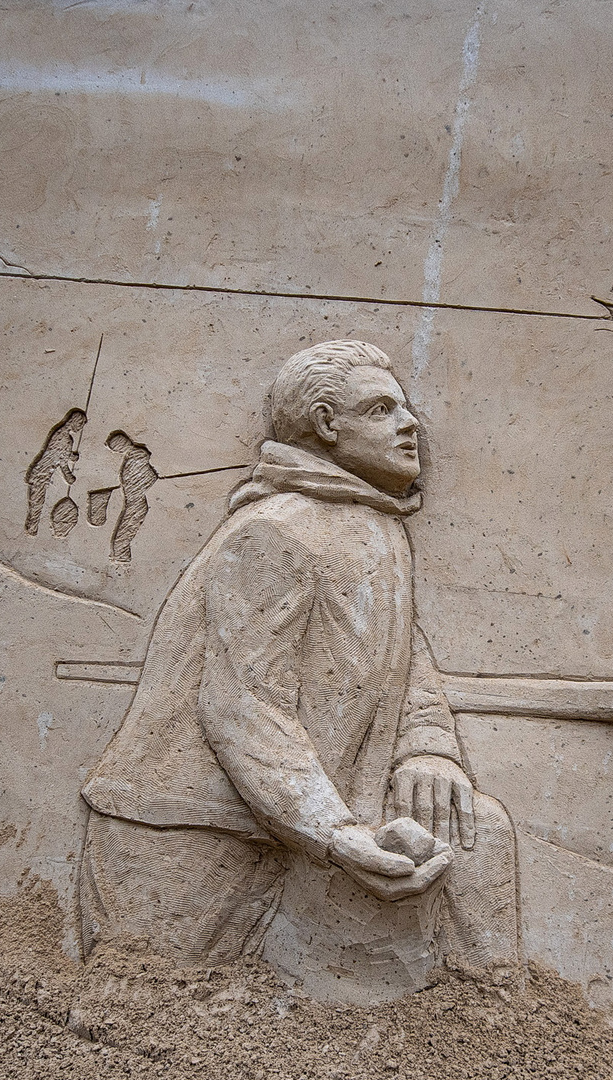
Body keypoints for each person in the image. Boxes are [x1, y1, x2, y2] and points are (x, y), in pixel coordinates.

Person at [78, 340, 520, 989]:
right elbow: (243, 707)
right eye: (381, 409)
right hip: (185, 835)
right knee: (147, 1017)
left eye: (406, 409)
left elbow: (403, 651)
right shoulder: (276, 532)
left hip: (291, 825)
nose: (410, 424)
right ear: (325, 424)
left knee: (480, 834)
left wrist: (429, 749)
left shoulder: (371, 527)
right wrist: (336, 833)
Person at [24, 408, 86, 536]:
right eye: (80, 425)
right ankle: (32, 529)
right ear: (75, 422)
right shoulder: (66, 438)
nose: (79, 429)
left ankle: (32, 528)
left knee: (36, 502)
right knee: (37, 503)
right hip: (41, 474)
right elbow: (61, 462)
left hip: (40, 473)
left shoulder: (60, 433)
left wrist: (71, 457)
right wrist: (69, 477)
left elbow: (60, 454)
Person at [103, 431, 157, 562]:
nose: (117, 451)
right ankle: (121, 555)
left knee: (127, 530)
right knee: (127, 529)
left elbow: (150, 478)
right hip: (135, 501)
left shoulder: (136, 457)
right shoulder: (132, 458)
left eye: (116, 449)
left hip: (136, 502)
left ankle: (121, 555)